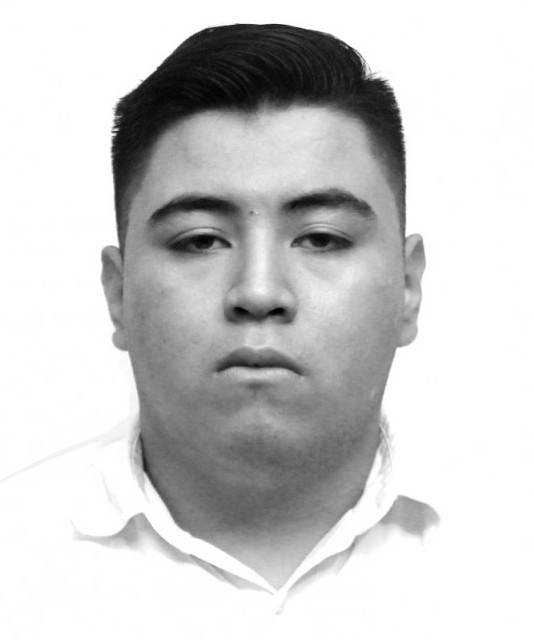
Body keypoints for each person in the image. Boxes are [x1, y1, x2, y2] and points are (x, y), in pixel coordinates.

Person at [1, 23, 441, 639]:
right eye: (201, 241)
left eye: (321, 238)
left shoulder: (509, 552)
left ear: (408, 288)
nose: (258, 292)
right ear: (118, 293)